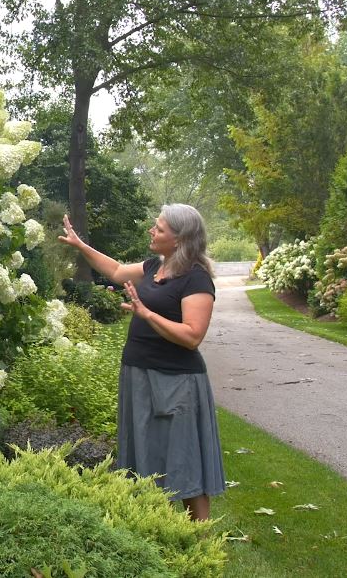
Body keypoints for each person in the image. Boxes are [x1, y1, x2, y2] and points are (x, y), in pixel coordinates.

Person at [58, 204, 225, 520]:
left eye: (160, 228)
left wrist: (147, 314)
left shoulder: (196, 279)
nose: (152, 230)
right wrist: (80, 246)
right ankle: (157, 533)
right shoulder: (154, 267)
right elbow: (117, 271)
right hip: (139, 376)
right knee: (147, 458)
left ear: (179, 239)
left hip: (177, 382)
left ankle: (201, 545)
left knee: (186, 459)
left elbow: (192, 335)